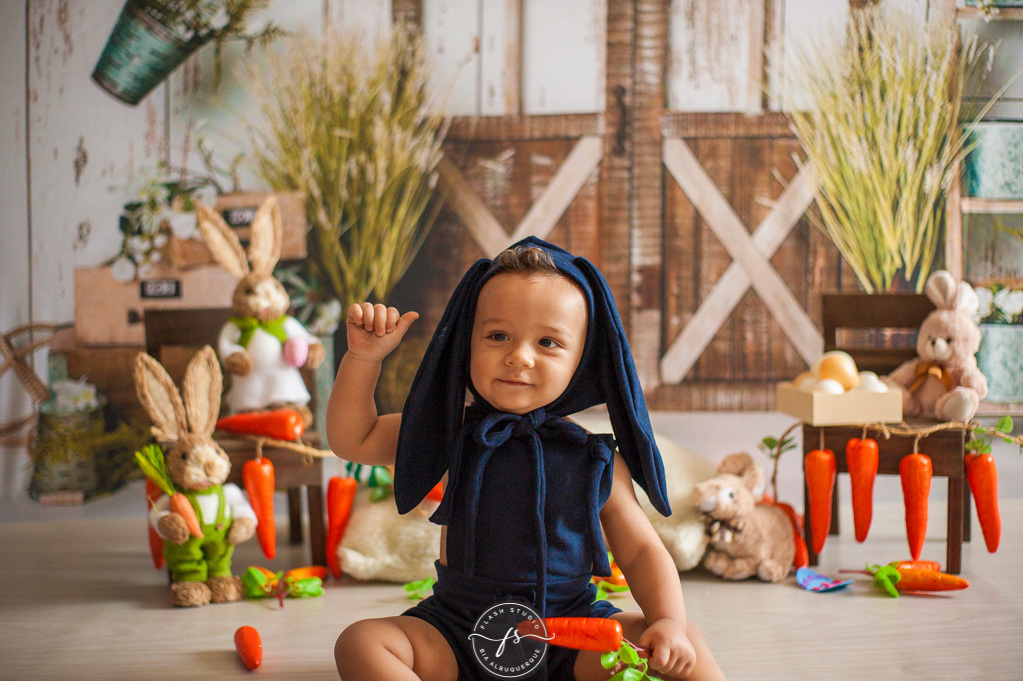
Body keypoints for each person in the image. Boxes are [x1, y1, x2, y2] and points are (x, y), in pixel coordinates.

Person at [327, 237, 726, 681]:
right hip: (459, 630)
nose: (518, 356)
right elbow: (355, 440)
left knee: (687, 641)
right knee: (361, 641)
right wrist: (363, 360)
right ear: (467, 342)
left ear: (582, 360)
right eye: (498, 336)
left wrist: (668, 622)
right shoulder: (451, 431)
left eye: (548, 342)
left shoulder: (596, 459)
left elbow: (641, 552)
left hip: (571, 635)